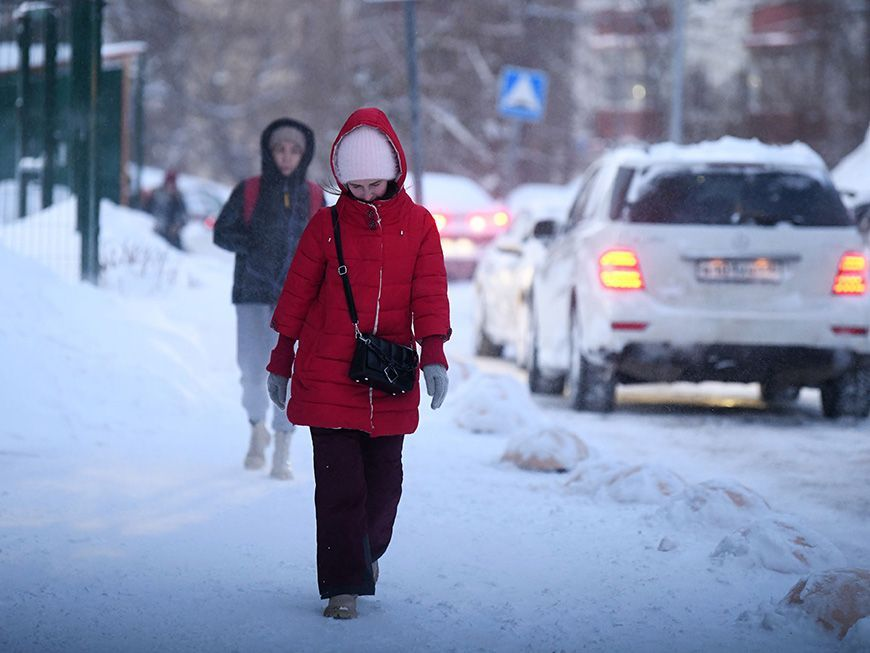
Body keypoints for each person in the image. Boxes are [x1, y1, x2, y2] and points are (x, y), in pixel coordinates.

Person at [265, 107, 451, 619]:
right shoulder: (325, 227)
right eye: (357, 185)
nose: (367, 194)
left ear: (394, 174)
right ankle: (342, 587)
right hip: (327, 375)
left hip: (388, 378)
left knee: (384, 490)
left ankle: (365, 554)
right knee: (339, 488)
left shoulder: (419, 226)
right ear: (342, 180)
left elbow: (430, 295)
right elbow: (296, 298)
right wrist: (280, 361)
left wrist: (434, 353)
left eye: (375, 183)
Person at [213, 118, 323, 480]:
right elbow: (222, 233)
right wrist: (253, 246)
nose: (287, 157)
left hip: (297, 301)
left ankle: (283, 446)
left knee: (289, 374)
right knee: (252, 372)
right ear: (269, 151)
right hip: (252, 296)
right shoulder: (249, 191)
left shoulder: (314, 195)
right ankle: (256, 427)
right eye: (280, 149)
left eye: (295, 150)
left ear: (304, 155)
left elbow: (327, 244)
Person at [143, 169, 188, 250]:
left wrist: (176, 226)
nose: (170, 186)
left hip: (171, 236)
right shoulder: (156, 193)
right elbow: (146, 210)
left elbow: (183, 216)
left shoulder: (178, 197)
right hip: (155, 231)